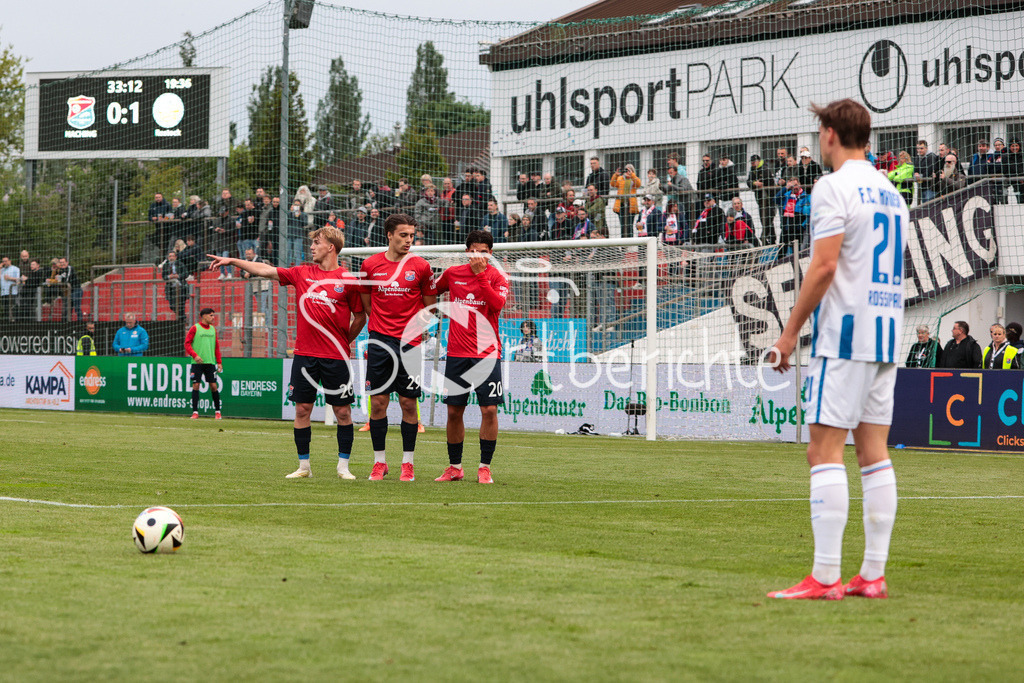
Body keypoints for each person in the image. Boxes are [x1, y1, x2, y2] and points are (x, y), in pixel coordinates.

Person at [766, 98, 908, 601]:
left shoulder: (832, 186)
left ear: (829, 134)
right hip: (888, 334)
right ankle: (872, 573)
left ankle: (825, 575)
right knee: (873, 454)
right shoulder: (892, 191)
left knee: (822, 450)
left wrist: (788, 334)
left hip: (846, 334)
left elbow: (824, 267)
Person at [208, 225, 366, 479]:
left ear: (331, 247)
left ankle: (343, 467)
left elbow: (360, 316)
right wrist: (234, 261)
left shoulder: (348, 279)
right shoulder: (302, 273)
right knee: (302, 409)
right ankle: (304, 466)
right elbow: (266, 270)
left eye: (317, 242)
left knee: (343, 412)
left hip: (336, 357)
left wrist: (343, 341)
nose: (312, 246)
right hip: (304, 355)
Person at [357, 214, 438, 482]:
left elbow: (430, 307)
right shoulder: (369, 265)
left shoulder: (421, 266)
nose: (408, 240)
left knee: (408, 403)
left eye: (411, 235)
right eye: (403, 235)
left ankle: (408, 463)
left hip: (410, 345)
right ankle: (380, 462)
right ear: (389, 235)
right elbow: (368, 306)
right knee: (378, 404)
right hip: (380, 342)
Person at [433, 230, 510, 484]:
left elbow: (497, 305)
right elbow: (430, 290)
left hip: (487, 355)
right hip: (456, 353)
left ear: (491, 253)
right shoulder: (453, 274)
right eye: (475, 250)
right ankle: (455, 467)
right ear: (467, 252)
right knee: (454, 412)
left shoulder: (498, 277)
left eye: (484, 251)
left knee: (489, 410)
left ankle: (484, 467)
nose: (479, 255)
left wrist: (480, 277)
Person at [184, 308, 224, 419]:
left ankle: (217, 412)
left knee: (214, 386)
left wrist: (219, 362)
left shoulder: (213, 329)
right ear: (204, 316)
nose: (213, 317)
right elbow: (187, 344)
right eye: (211, 315)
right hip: (197, 363)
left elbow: (216, 347)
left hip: (210, 362)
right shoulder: (195, 328)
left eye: (213, 315)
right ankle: (195, 412)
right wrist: (194, 355)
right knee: (196, 385)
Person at [161, 250, 187, 319]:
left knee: (181, 304)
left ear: (175, 257)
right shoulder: (165, 266)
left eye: (172, 256)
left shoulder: (180, 264)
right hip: (170, 288)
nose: (171, 258)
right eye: (170, 256)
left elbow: (186, 274)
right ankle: (182, 316)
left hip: (180, 287)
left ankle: (182, 318)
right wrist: (170, 276)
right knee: (172, 305)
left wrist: (178, 276)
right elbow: (163, 276)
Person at [1, 256, 20, 321]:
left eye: (6, 261)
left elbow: (18, 280)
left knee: (13, 308)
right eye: (3, 261)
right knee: (5, 309)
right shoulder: (2, 270)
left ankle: (15, 322)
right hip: (3, 293)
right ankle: (6, 323)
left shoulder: (15, 269)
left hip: (12, 292)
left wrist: (10, 278)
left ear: (10, 261)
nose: (4, 263)